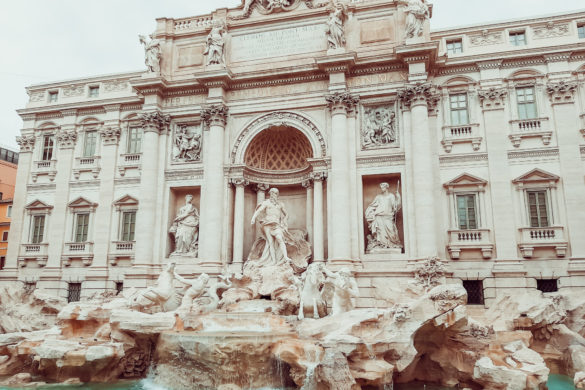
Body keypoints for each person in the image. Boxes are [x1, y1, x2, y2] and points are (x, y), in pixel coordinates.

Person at [250, 188, 292, 265]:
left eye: (275, 193)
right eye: (272, 193)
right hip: (267, 224)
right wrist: (253, 218)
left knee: (280, 238)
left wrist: (284, 221)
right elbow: (259, 211)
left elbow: (287, 214)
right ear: (270, 194)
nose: (273, 195)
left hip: (276, 225)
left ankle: (285, 257)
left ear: (277, 195)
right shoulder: (266, 203)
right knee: (271, 243)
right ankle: (273, 261)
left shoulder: (280, 204)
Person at [365, 182, 402, 251]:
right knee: (380, 232)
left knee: (391, 231)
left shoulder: (391, 196)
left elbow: (395, 207)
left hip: (388, 216)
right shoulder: (378, 197)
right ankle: (382, 244)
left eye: (383, 187)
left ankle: (392, 244)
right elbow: (372, 205)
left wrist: (398, 197)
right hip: (379, 216)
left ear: (386, 187)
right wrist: (369, 212)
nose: (382, 189)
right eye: (381, 187)